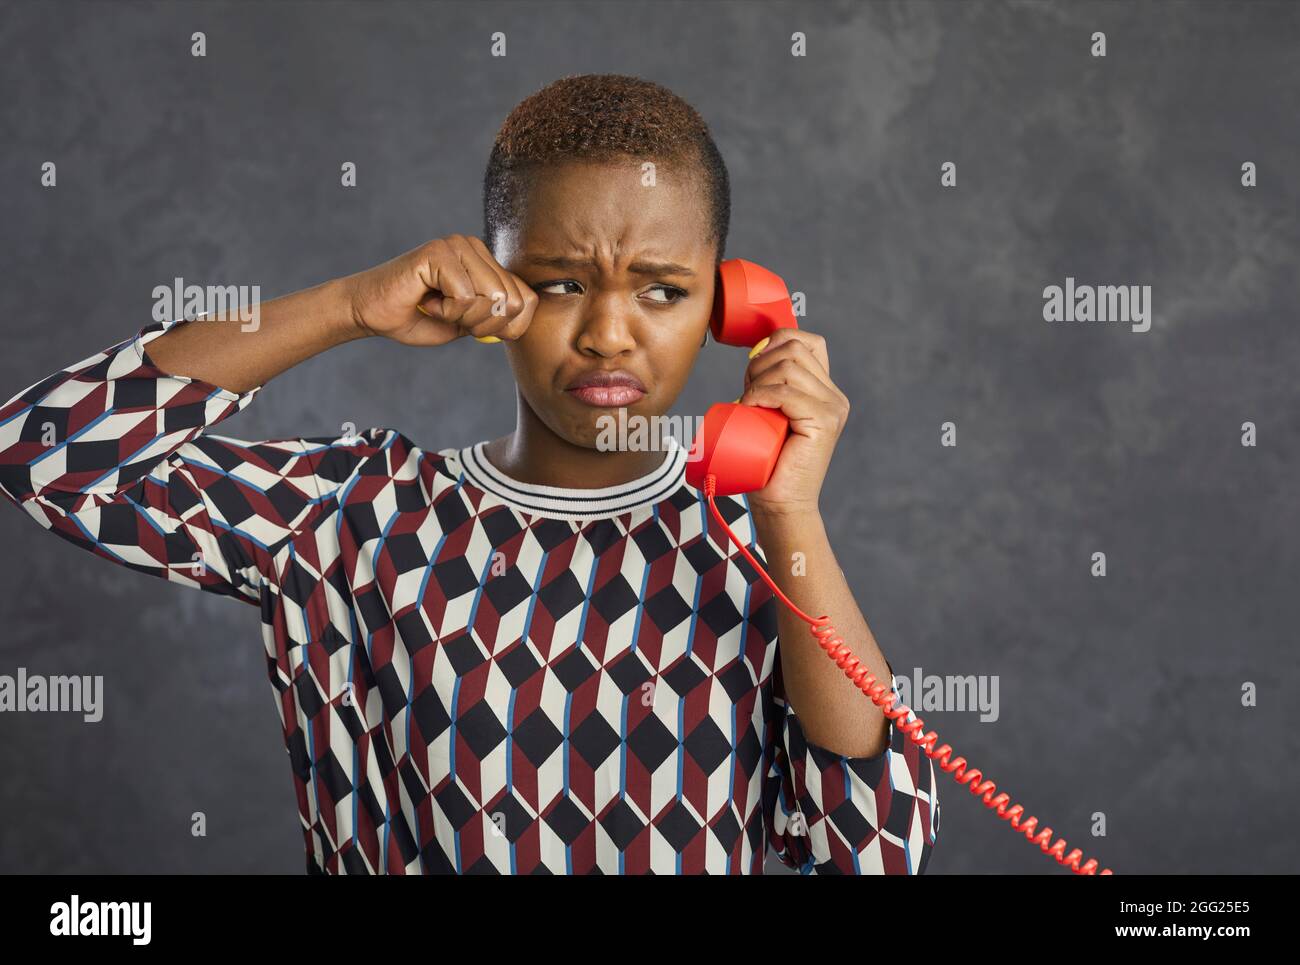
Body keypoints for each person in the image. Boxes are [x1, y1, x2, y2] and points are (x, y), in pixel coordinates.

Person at [0, 73, 939, 874]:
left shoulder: (758, 544)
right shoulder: (350, 516)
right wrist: (345, 306)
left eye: (662, 289)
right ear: (493, 287)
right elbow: (43, 454)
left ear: (730, 306)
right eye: (562, 281)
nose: (610, 333)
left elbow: (873, 848)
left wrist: (792, 515)